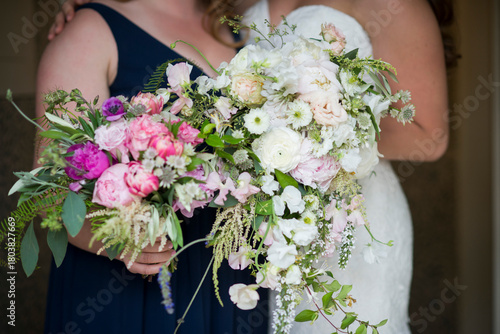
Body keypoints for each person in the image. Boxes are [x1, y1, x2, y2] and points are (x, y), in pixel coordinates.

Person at [49, 0, 450, 333]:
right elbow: (53, 181)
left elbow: (430, 135)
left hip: (344, 215)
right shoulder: (228, 11)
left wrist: (310, 134)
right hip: (252, 237)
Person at [37, 0, 267, 333]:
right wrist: (122, 240)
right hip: (133, 287)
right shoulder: (90, 31)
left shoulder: (237, 28)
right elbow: (49, 192)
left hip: (230, 276)